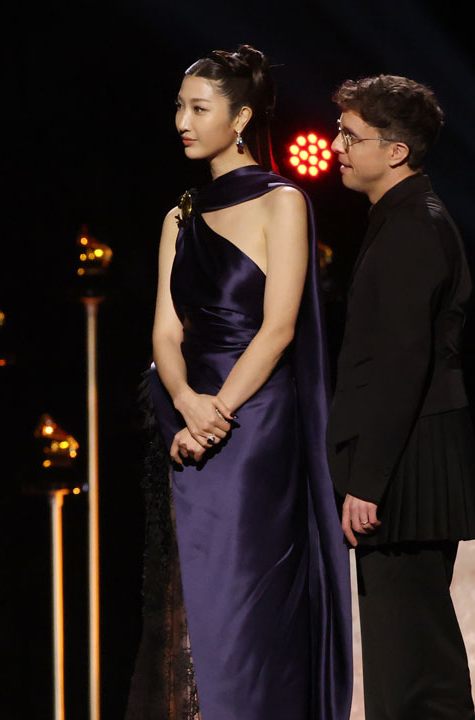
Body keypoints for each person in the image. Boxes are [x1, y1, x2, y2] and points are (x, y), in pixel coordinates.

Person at [142, 46, 351, 719]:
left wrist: (217, 414)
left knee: (247, 602)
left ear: (240, 119)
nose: (182, 121)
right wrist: (186, 404)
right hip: (186, 421)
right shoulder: (179, 216)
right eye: (179, 107)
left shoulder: (281, 202)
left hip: (255, 426)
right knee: (189, 602)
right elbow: (165, 333)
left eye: (198, 108)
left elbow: (279, 327)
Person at [326, 74, 475, 718]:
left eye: (350, 136)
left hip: (406, 472)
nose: (336, 146)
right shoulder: (401, 218)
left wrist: (369, 481)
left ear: (396, 151)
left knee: (417, 673)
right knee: (399, 667)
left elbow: (401, 363)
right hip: (405, 467)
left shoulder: (414, 225)